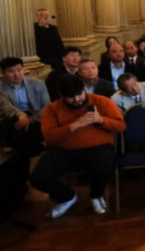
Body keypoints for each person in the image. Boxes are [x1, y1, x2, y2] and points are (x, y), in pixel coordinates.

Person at [31, 74, 126, 217]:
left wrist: (101, 120)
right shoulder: (52, 109)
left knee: (106, 165)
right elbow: (49, 136)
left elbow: (121, 126)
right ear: (61, 95)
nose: (76, 99)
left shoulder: (102, 102)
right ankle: (66, 197)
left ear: (84, 89)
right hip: (62, 150)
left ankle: (96, 195)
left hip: (98, 148)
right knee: (38, 177)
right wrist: (75, 125)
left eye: (79, 94)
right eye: (70, 97)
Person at [0, 57, 49, 156]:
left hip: (35, 117)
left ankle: (19, 155)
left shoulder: (38, 84)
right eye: (11, 71)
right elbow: (6, 107)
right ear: (3, 73)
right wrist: (20, 114)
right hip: (10, 118)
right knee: (17, 124)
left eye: (19, 70)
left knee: (27, 129)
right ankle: (33, 152)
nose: (17, 74)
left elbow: (47, 106)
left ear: (24, 69)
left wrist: (31, 119)